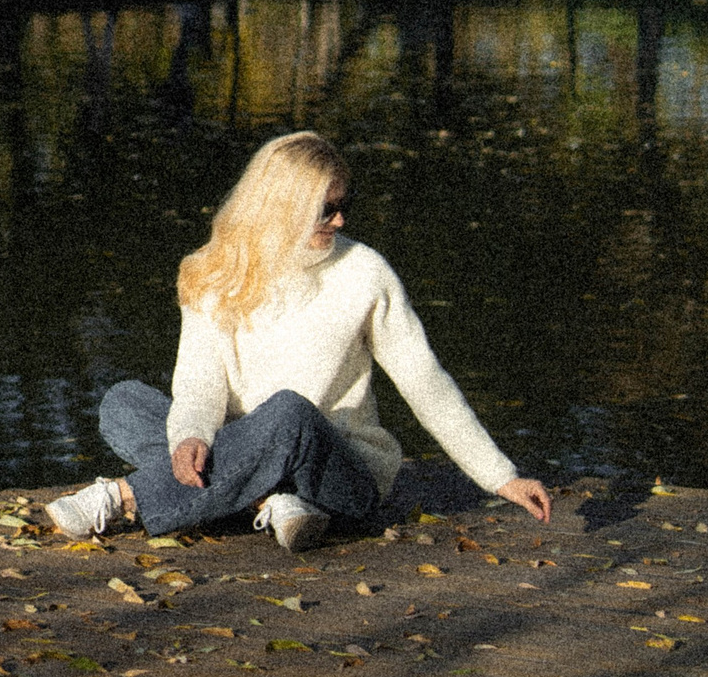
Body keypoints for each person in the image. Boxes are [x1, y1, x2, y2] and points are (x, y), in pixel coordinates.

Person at [45, 131, 552, 551]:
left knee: (290, 413)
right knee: (123, 402)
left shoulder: (364, 273)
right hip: (248, 442)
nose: (341, 220)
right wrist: (190, 438)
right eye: (326, 209)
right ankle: (268, 499)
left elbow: (426, 384)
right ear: (281, 208)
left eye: (343, 205)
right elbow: (199, 384)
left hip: (342, 470)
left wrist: (499, 476)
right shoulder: (211, 273)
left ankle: (123, 498)